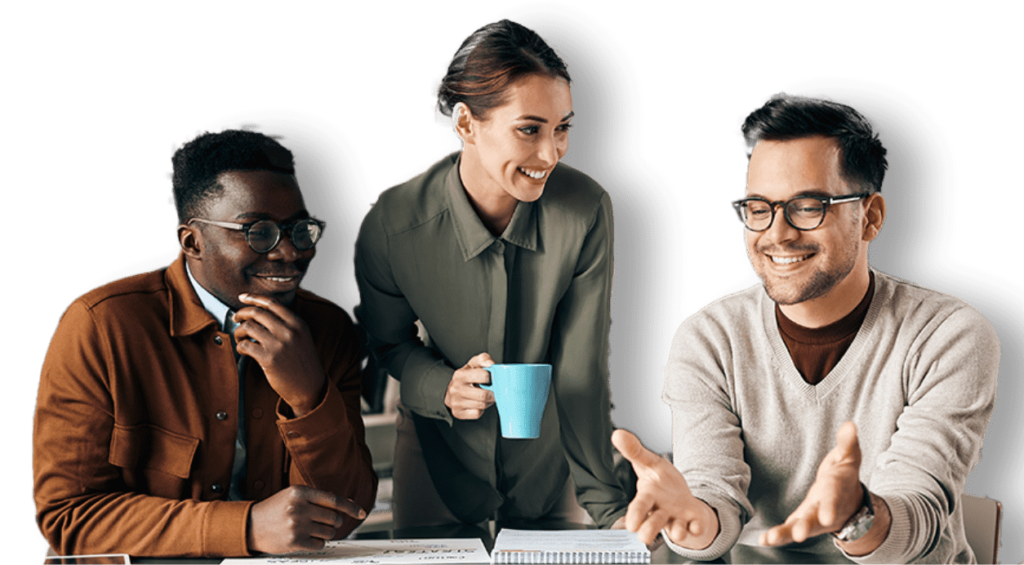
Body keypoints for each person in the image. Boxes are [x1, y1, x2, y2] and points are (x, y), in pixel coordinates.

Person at [612, 95, 999, 564]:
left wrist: (856, 514)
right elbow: (713, 501)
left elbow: (920, 510)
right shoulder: (708, 338)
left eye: (808, 206)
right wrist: (691, 518)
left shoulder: (949, 335)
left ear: (870, 217)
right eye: (759, 207)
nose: (777, 233)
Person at [33, 130, 377, 558]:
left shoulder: (327, 329)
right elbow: (68, 518)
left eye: (299, 229)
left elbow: (348, 512)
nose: (290, 252)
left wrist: (308, 398)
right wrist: (245, 527)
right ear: (192, 242)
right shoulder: (101, 326)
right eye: (259, 231)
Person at [354, 19, 628, 529]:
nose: (551, 154)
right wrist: (441, 388)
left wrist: (607, 506)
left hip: (553, 458)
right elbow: (384, 343)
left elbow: (581, 367)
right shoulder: (394, 223)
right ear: (465, 124)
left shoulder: (586, 207)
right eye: (530, 129)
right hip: (439, 453)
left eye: (562, 127)